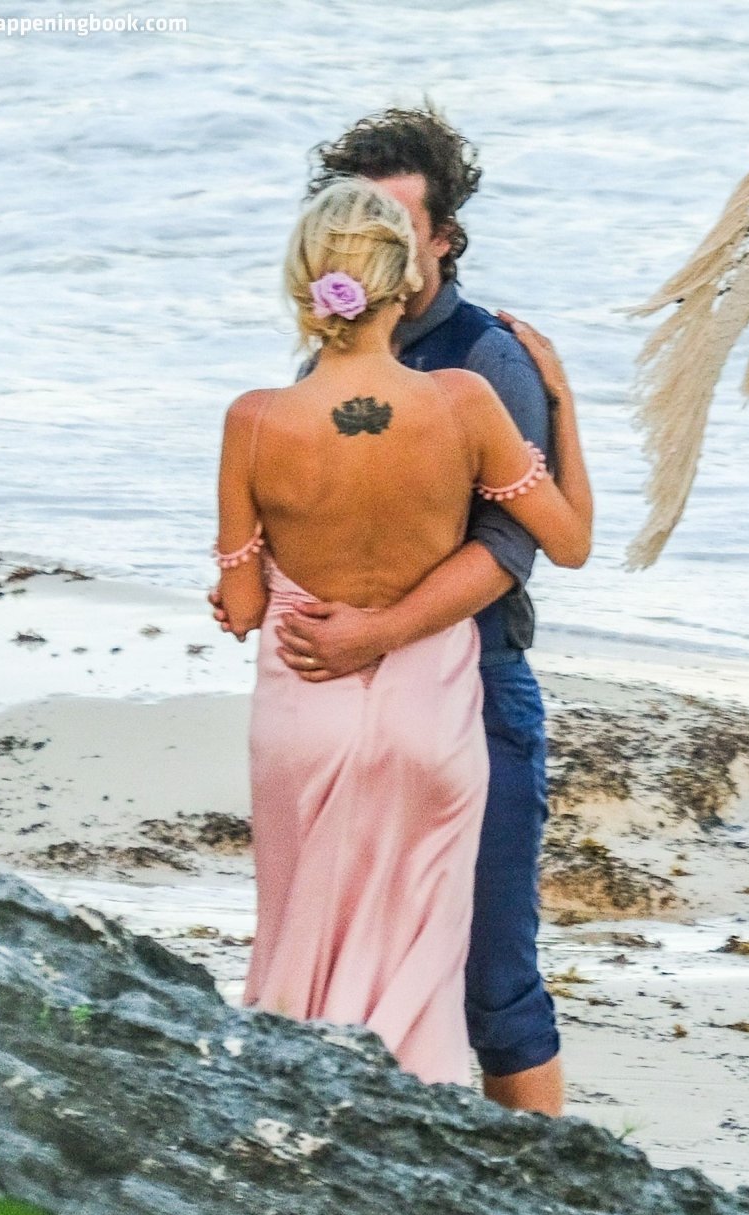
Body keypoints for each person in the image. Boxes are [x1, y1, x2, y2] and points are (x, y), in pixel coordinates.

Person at [210, 107, 593, 1110]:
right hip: (431, 707)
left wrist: (336, 611)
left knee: (341, 955)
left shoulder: (467, 364)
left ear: (441, 240)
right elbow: (563, 537)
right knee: (412, 965)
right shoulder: (460, 399)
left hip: (382, 694)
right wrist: (568, 413)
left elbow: (503, 552)